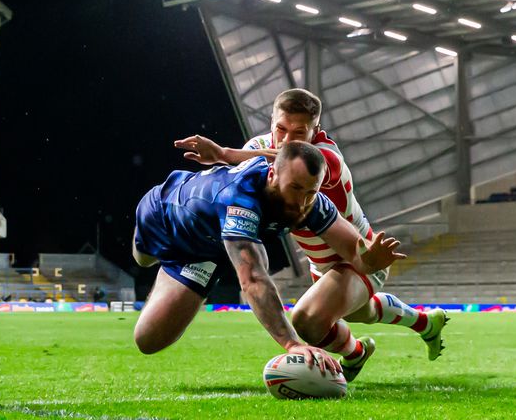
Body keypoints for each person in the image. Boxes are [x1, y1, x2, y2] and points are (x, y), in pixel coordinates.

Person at [175, 89, 447, 381]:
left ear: (316, 131)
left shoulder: (325, 156)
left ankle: (355, 353)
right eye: (281, 129)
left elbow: (290, 162)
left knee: (307, 320)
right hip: (321, 265)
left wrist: (225, 154)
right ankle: (424, 324)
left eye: (299, 132)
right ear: (271, 122)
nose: (288, 139)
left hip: (361, 256)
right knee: (359, 312)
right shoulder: (257, 147)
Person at [132, 141, 405, 375]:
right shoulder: (239, 200)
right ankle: (154, 258)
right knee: (143, 259)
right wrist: (292, 344)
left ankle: (180, 274)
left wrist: (370, 260)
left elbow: (354, 251)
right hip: (162, 214)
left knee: (148, 340)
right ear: (272, 175)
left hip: (206, 252)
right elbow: (253, 280)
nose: (301, 202)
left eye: (311, 192)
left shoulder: (312, 202)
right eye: (295, 188)